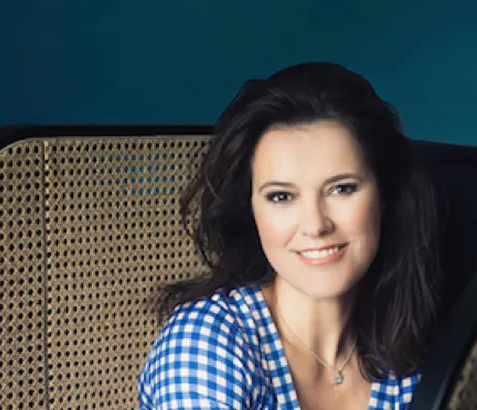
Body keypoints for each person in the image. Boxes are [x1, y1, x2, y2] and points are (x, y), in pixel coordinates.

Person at [138, 62, 442, 409]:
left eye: (341, 189)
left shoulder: (407, 355)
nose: (315, 225)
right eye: (281, 196)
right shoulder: (204, 344)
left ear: (385, 196)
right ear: (250, 210)